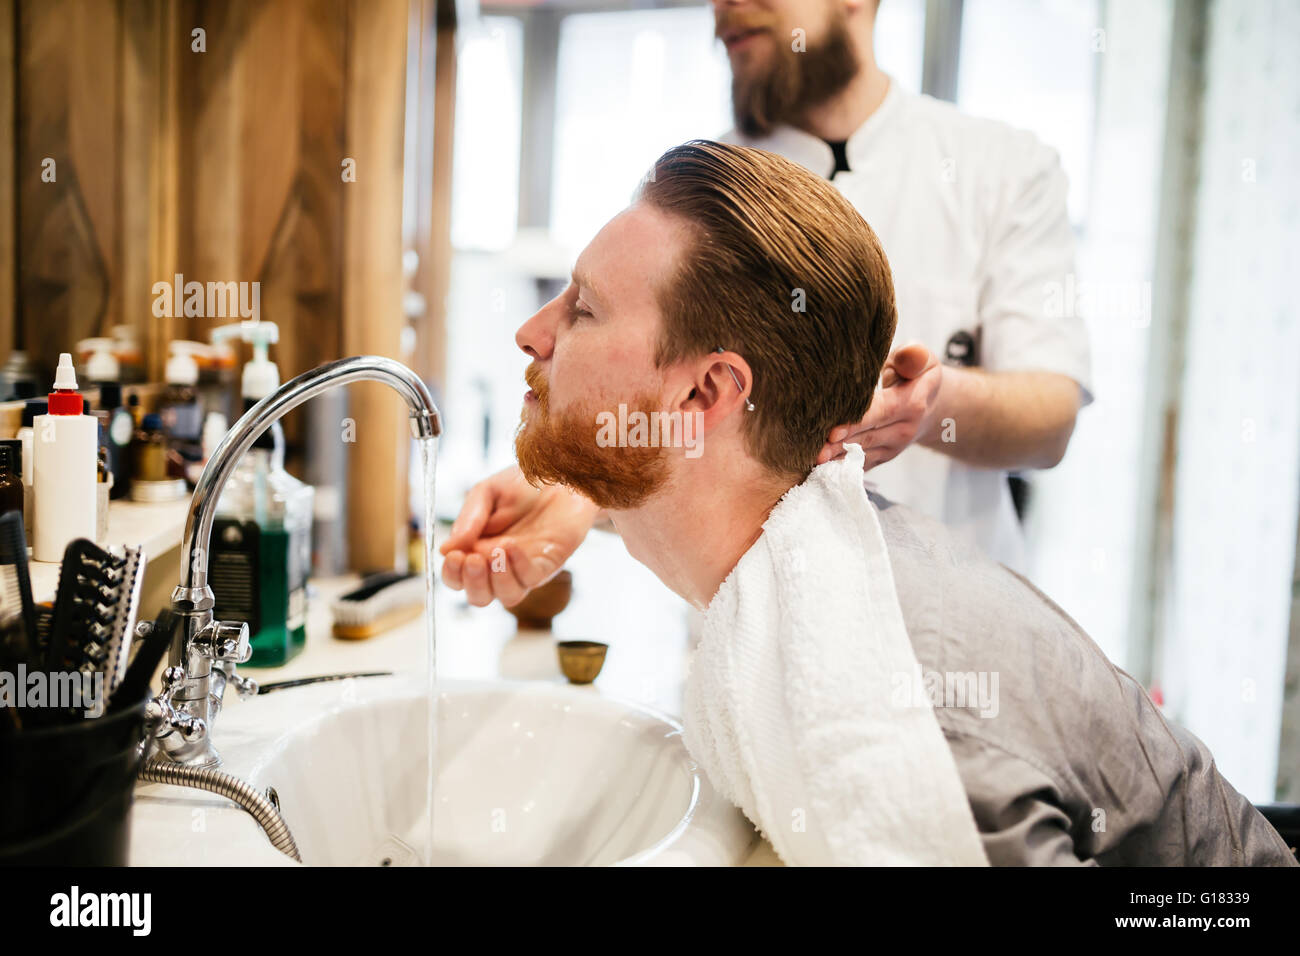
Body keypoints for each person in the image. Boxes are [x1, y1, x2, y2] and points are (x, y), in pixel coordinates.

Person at [453, 140, 1293, 866]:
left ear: (706, 392)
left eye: (583, 307)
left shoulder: (885, 713)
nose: (532, 330)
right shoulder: (781, 595)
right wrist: (588, 480)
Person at [441, 0, 1089, 603]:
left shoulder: (999, 167)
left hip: (939, 624)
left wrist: (927, 406)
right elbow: (684, 410)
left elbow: (1050, 419)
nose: (726, 8)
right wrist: (579, 489)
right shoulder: (696, 194)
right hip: (748, 626)